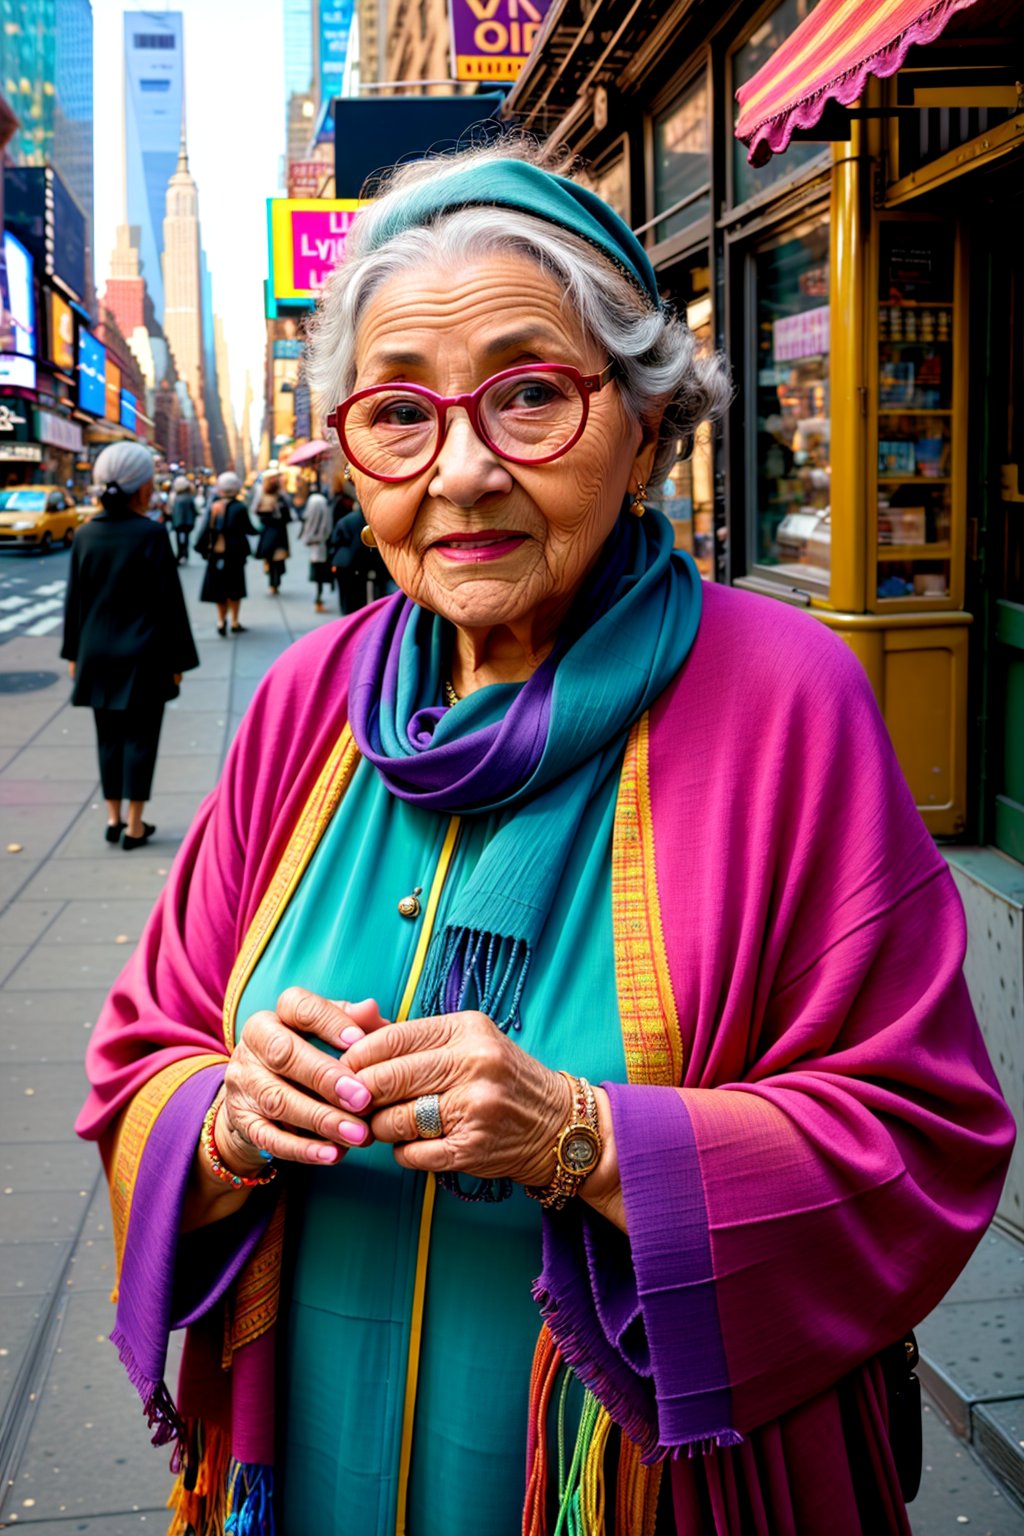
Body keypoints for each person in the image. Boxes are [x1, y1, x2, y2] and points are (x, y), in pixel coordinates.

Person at [76, 143, 1013, 1536]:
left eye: (529, 397)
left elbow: (918, 1138)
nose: (460, 473)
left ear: (647, 421)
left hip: (651, 1480)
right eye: (399, 415)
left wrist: (581, 1139)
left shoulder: (786, 698)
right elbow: (144, 1051)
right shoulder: (302, 701)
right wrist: (227, 1114)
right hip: (309, 1445)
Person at [61, 441, 198, 850]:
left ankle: (112, 817)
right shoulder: (153, 535)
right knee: (141, 739)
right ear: (142, 488)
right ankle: (136, 824)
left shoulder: (85, 535)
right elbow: (169, 605)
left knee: (107, 737)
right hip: (145, 656)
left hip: (96, 654)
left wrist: (73, 654)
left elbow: (76, 602)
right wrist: (178, 660)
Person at [197, 470, 257, 636]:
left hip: (217, 553)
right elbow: (249, 529)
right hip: (235, 554)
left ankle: (221, 621)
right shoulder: (239, 507)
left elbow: (206, 529)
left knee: (219, 590)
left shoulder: (214, 506)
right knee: (235, 589)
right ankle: (235, 622)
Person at [255, 472, 291, 594]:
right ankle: (273, 583)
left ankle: (275, 582)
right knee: (270, 558)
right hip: (269, 531)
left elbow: (287, 515)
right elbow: (257, 511)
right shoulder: (263, 496)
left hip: (278, 531)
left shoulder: (281, 497)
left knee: (277, 558)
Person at [299, 489, 333, 612]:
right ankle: (318, 599)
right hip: (321, 546)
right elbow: (327, 527)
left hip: (316, 546)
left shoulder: (314, 502)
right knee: (319, 575)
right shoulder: (322, 504)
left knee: (317, 574)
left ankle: (318, 599)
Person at [169, 475, 198, 564]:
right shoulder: (189, 497)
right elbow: (194, 510)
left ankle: (181, 554)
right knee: (185, 539)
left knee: (180, 539)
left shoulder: (177, 498)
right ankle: (184, 553)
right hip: (187, 522)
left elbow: (174, 512)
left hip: (180, 523)